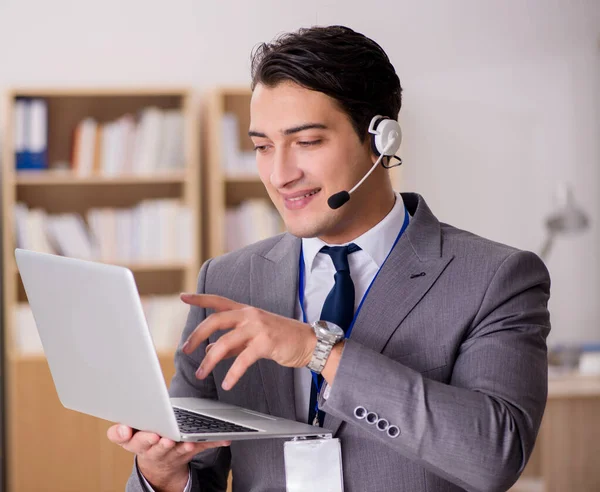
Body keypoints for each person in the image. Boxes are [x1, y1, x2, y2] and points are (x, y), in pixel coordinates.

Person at [108, 25, 551, 492]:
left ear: (382, 140)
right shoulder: (228, 280)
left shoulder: (495, 278)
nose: (280, 174)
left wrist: (316, 350)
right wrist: (160, 473)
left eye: (308, 142)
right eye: (262, 147)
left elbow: (494, 456)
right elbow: (198, 472)